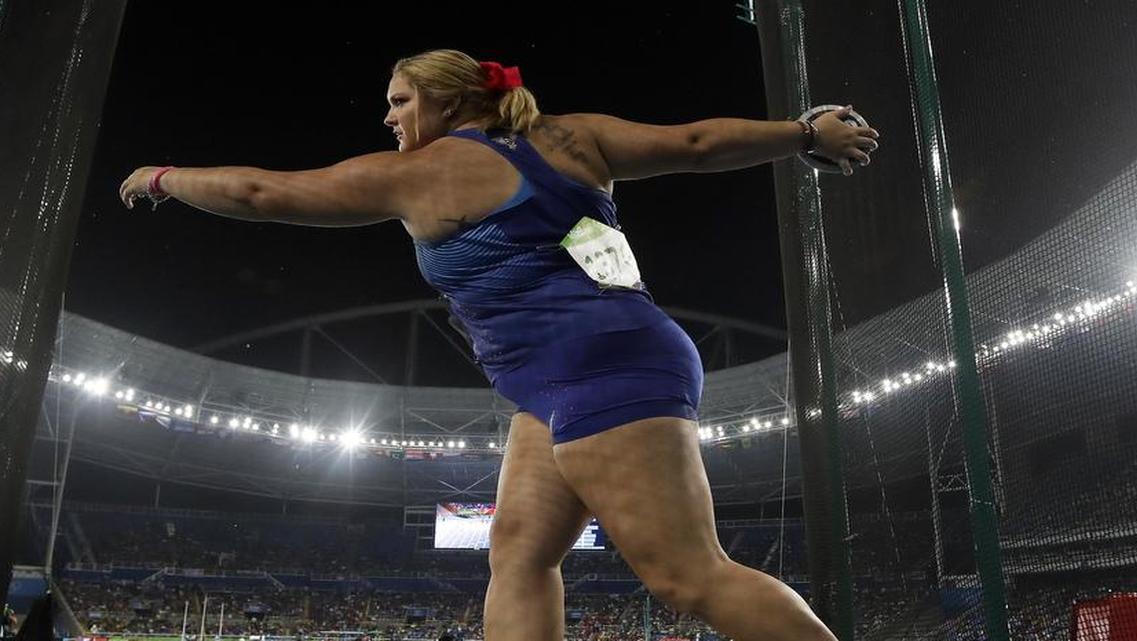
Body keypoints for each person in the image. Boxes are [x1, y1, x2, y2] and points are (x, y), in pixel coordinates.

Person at [119, 49, 879, 641]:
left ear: (448, 99)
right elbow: (698, 142)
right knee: (517, 550)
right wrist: (805, 133)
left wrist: (164, 177)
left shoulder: (422, 174)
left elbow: (262, 193)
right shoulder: (572, 135)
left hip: (598, 367)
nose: (388, 117)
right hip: (570, 373)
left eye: (400, 100)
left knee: (688, 575)